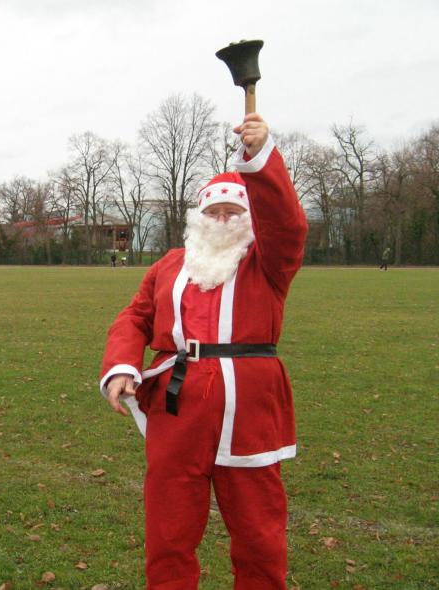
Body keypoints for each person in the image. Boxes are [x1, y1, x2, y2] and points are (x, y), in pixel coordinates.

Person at [100, 112, 307, 590]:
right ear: (198, 217)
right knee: (169, 529)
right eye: (213, 212)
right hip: (178, 408)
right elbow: (135, 317)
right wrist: (123, 366)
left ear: (249, 218)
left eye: (233, 212)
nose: (222, 220)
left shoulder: (267, 262)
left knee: (258, 532)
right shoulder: (170, 265)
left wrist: (259, 157)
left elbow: (287, 225)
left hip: (248, 409)